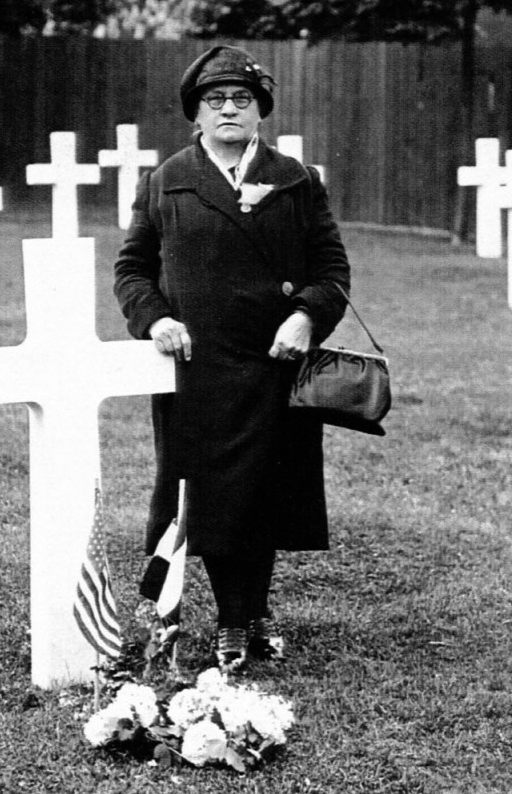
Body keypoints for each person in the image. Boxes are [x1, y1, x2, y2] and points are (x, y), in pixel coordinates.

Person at [114, 45, 351, 672]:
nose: (228, 109)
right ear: (196, 112)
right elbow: (133, 269)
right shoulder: (166, 179)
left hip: (277, 357)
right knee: (211, 493)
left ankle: (250, 609)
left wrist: (306, 315)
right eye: (215, 100)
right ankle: (232, 617)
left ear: (260, 111)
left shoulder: (296, 178)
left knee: (266, 491)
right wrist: (156, 318)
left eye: (241, 100)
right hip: (198, 364)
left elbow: (332, 268)